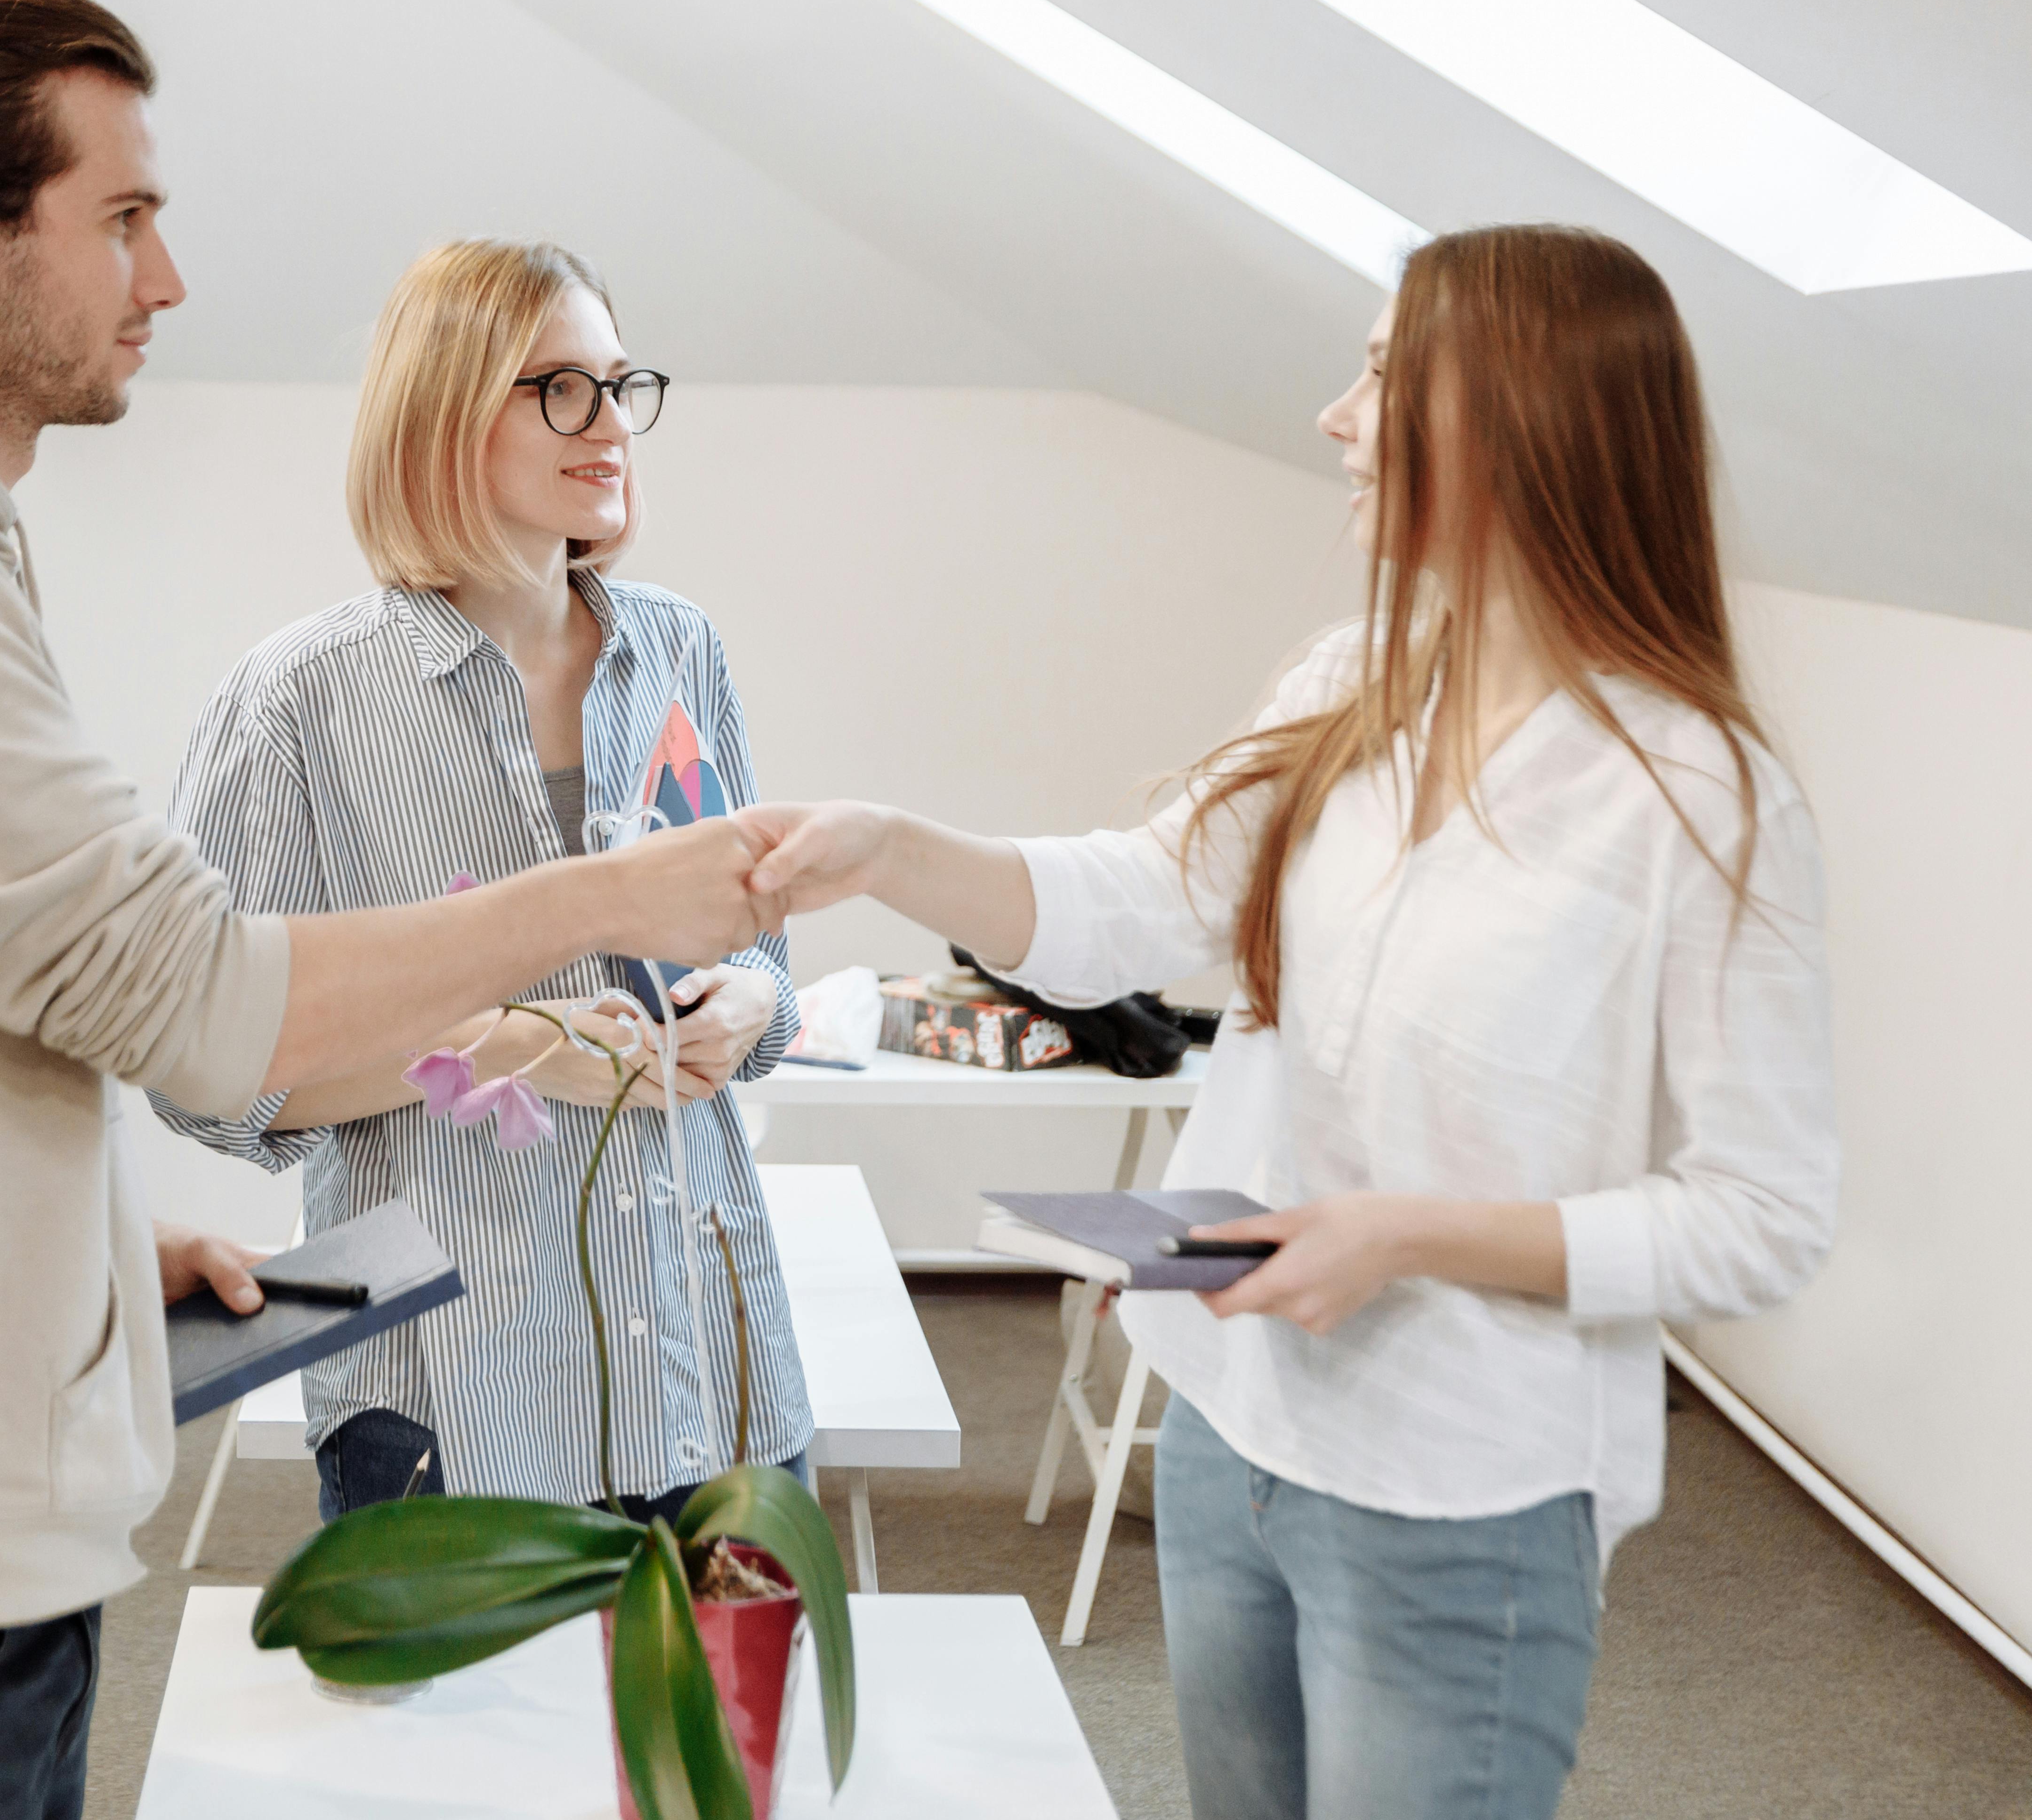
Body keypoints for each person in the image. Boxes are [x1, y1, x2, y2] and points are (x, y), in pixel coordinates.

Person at [0, 0, 769, 1820]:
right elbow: (194, 1006)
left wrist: (79, 1257)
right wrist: (592, 916)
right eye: (123, 217)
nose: (170, 277)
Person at [741, 225, 1838, 1820]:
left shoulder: (1702, 799)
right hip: (1225, 1427)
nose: (1336, 413)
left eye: (1385, 371)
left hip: (1458, 1488)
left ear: (1521, 411)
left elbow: (1763, 1216)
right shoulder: (1347, 681)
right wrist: (893, 850)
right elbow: (1141, 895)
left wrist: (1411, 1233)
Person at [153, 239, 813, 1522]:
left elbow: (761, 952)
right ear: (445, 413)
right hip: (450, 1396)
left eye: (624, 386)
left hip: (711, 1373)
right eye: (561, 387)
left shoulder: (680, 650)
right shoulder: (297, 701)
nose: (612, 424)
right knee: (468, 1734)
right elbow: (208, 1067)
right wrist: (509, 1047)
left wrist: (748, 1004)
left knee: (727, 1731)